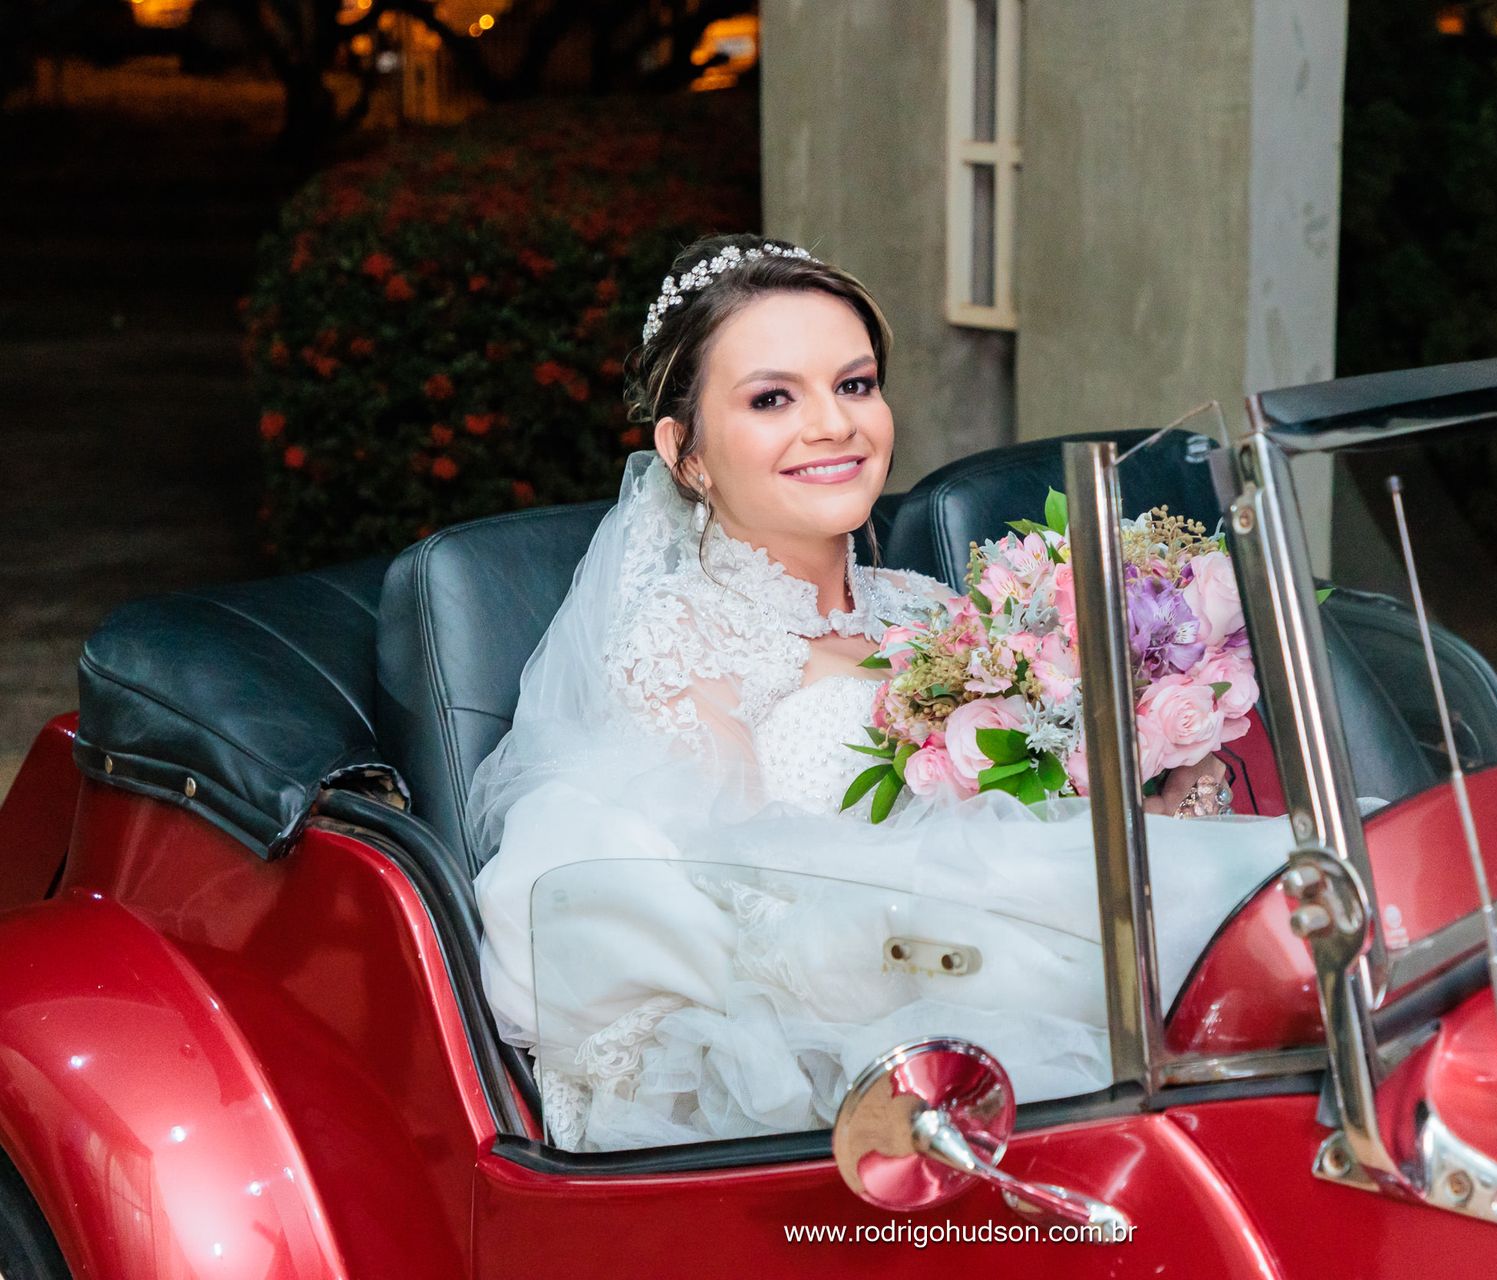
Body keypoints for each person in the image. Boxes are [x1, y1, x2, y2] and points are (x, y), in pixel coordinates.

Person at [470, 233, 1286, 1152]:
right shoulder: (681, 642)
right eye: (773, 398)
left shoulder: (931, 606)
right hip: (861, 1023)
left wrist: (1155, 791)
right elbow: (743, 914)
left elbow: (1040, 798)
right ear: (685, 453)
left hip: (1017, 952)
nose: (834, 425)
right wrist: (1000, 889)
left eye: (854, 385)